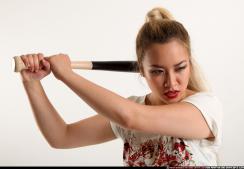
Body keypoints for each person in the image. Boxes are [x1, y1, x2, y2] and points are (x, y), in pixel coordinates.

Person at [19, 7, 223, 167]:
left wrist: (68, 76)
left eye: (180, 68)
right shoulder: (131, 107)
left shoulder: (205, 108)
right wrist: (32, 83)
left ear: (190, 63)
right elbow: (62, 136)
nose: (171, 82)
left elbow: (132, 118)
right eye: (157, 71)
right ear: (141, 70)